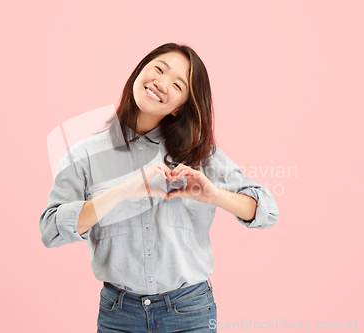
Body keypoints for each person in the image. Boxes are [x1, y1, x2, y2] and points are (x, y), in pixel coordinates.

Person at [39, 42, 280, 333]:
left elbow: (267, 211)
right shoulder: (83, 155)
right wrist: (123, 191)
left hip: (189, 312)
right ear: (139, 70)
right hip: (119, 315)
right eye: (159, 69)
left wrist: (216, 196)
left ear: (180, 108)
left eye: (177, 85)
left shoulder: (200, 155)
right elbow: (51, 230)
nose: (161, 83)